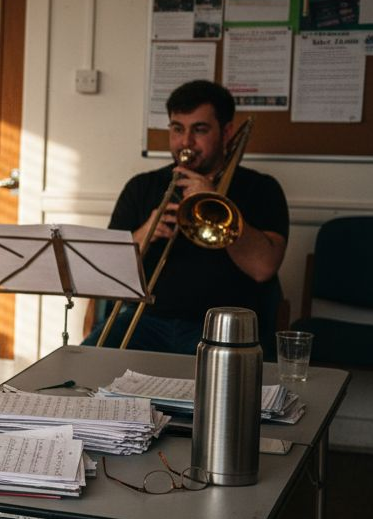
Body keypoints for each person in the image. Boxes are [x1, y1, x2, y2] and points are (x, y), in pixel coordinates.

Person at [84, 80, 287, 355]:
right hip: (146, 320)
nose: (185, 142)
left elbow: (264, 268)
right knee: (86, 364)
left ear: (226, 132)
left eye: (199, 130)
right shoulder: (142, 186)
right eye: (177, 129)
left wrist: (216, 202)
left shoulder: (261, 188)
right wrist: (145, 233)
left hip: (221, 328)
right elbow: (105, 273)